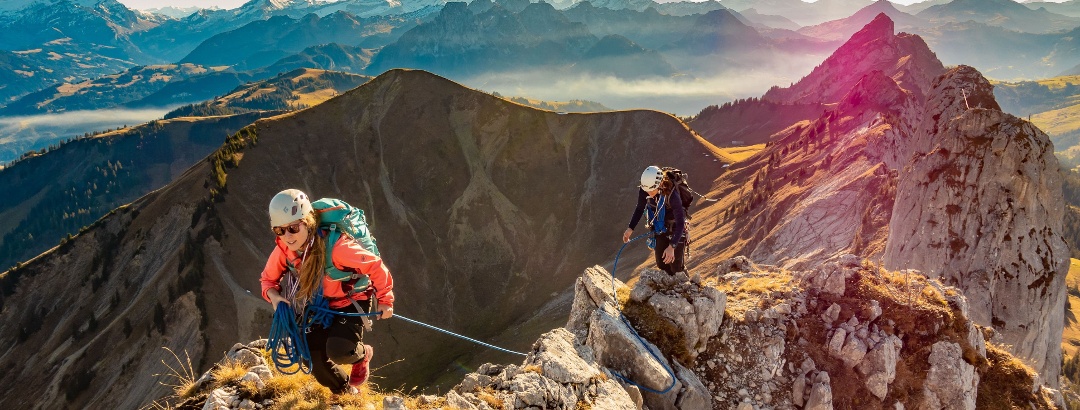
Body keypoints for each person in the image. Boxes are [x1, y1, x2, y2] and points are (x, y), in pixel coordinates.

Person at [260, 189, 394, 394]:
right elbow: (268, 280)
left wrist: (385, 300)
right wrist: (275, 297)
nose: (287, 236)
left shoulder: (338, 247)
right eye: (280, 230)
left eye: (293, 228)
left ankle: (362, 355)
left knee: (339, 350)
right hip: (319, 304)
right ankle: (345, 392)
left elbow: (375, 266)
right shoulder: (284, 250)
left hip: (352, 299)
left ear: (307, 222)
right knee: (311, 357)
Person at [623, 166, 687, 275]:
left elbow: (680, 223)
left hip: (675, 227)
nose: (648, 193)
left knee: (676, 266)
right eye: (646, 190)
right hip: (659, 227)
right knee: (661, 264)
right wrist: (630, 228)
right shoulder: (645, 189)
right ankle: (669, 287)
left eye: (651, 190)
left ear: (659, 184)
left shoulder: (672, 195)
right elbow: (639, 208)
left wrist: (672, 246)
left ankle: (684, 287)